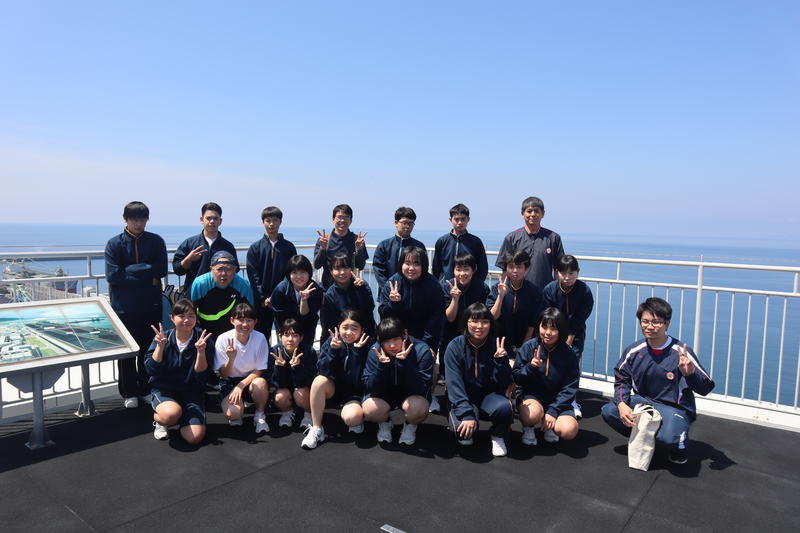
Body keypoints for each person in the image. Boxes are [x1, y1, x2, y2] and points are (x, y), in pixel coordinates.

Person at [600, 297, 715, 464]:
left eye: (656, 322)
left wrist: (689, 374)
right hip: (644, 402)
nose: (649, 326)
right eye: (645, 321)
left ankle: (677, 444)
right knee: (609, 411)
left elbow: (705, 388)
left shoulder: (681, 352)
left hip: (674, 407)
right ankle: (645, 435)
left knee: (670, 438)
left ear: (667, 324)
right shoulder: (634, 350)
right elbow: (621, 379)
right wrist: (622, 404)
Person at [105, 201, 168, 408]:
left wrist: (131, 270)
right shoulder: (114, 244)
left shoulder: (155, 241)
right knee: (126, 351)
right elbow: (113, 276)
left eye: (142, 219)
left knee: (148, 348)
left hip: (151, 305)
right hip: (124, 307)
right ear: (125, 219)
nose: (139, 223)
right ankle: (129, 391)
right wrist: (147, 275)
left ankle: (146, 388)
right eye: (134, 219)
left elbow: (161, 270)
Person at [378, 246, 444, 411]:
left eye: (416, 263)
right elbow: (384, 317)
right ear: (401, 264)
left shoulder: (433, 285)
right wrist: (394, 304)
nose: (411, 268)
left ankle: (428, 395)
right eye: (407, 263)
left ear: (424, 265)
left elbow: (436, 317)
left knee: (428, 359)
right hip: (397, 336)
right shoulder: (392, 283)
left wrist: (429, 344)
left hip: (423, 335)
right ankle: (394, 396)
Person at [444, 303, 514, 457]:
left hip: (488, 396)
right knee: (463, 433)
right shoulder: (455, 346)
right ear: (466, 322)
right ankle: (470, 420)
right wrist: (466, 413)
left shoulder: (496, 345)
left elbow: (502, 383)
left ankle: (497, 435)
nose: (479, 326)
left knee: (505, 407)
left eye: (485, 322)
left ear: (491, 324)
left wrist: (501, 363)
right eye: (474, 321)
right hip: (465, 396)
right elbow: (454, 383)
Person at [301, 310, 372, 449]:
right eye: (345, 327)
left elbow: (359, 381)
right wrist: (333, 351)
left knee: (352, 419)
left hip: (354, 394)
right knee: (319, 381)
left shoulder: (367, 346)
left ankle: (358, 416)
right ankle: (316, 428)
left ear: (362, 330)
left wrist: (357, 353)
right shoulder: (331, 341)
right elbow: (322, 370)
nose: (349, 332)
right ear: (339, 327)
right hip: (334, 388)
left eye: (354, 328)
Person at [145, 299, 213, 444]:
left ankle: (183, 416)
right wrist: (160, 347)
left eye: (191, 316)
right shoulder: (163, 337)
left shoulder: (203, 340)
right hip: (165, 390)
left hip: (192, 392)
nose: (186, 320)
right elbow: (151, 369)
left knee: (194, 438)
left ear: (196, 318)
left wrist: (201, 352)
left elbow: (203, 376)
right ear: (172, 317)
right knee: (170, 415)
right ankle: (161, 421)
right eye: (181, 316)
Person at [513, 307, 580, 446]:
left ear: (561, 330)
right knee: (531, 415)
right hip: (532, 397)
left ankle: (550, 423)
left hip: (558, 401)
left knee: (569, 430)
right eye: (544, 327)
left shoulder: (568, 354)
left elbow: (571, 386)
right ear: (538, 327)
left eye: (553, 328)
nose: (548, 332)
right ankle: (528, 427)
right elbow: (516, 378)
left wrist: (554, 410)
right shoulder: (529, 347)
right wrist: (530, 367)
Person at [362, 317, 433, 445]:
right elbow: (371, 388)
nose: (392, 345)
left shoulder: (421, 349)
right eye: (386, 341)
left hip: (411, 394)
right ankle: (385, 423)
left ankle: (410, 425)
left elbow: (422, 388)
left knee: (419, 408)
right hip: (383, 393)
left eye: (396, 339)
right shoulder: (375, 351)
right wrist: (381, 367)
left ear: (405, 334)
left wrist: (405, 364)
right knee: (370, 409)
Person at [542, 254, 594, 418]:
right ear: (557, 272)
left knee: (572, 366)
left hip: (576, 334)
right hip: (552, 332)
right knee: (551, 365)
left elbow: (582, 315)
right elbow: (547, 314)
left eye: (571, 273)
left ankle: (571, 400)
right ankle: (550, 399)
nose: (567, 277)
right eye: (563, 273)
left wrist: (570, 336)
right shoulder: (550, 289)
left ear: (578, 272)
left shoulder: (584, 290)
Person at [214, 303, 271, 433]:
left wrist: (241, 385)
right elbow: (224, 374)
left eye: (249, 320)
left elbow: (260, 369)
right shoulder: (223, 339)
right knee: (233, 414)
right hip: (230, 381)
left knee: (261, 383)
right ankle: (239, 406)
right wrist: (231, 358)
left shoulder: (260, 338)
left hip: (251, 380)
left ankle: (259, 415)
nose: (245, 324)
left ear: (255, 322)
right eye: (241, 319)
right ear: (232, 320)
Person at [246, 206, 298, 338]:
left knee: (286, 334)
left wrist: (281, 295)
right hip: (262, 302)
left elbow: (292, 272)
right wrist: (263, 298)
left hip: (284, 298)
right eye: (268, 220)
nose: (271, 224)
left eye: (275, 220)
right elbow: (253, 276)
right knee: (262, 335)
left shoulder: (289, 247)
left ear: (280, 222)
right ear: (263, 222)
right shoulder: (255, 248)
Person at [496, 196, 564, 291]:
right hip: (518, 292)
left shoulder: (553, 238)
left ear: (543, 214)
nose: (533, 214)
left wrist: (557, 292)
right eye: (529, 211)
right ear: (522, 214)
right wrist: (505, 293)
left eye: (536, 211)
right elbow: (504, 268)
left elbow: (559, 269)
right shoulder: (511, 238)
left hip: (545, 291)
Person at [171, 202, 238, 297]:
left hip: (221, 296)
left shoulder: (227, 246)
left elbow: (235, 269)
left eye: (215, 218)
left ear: (220, 221)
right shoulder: (190, 243)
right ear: (201, 220)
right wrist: (189, 259)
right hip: (194, 295)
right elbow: (177, 269)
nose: (212, 221)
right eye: (208, 218)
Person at [487, 250, 543, 354]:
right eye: (511, 267)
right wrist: (500, 296)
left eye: (519, 267)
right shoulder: (496, 288)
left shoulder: (534, 292)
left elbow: (532, 323)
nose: (515, 271)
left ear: (526, 268)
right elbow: (492, 317)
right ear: (506, 268)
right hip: (499, 343)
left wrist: (524, 347)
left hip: (524, 343)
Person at [190, 251, 254, 338]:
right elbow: (191, 310)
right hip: (204, 330)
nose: (224, 274)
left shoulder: (243, 285)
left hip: (232, 331)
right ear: (211, 269)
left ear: (235, 270)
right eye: (219, 269)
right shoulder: (200, 283)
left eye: (228, 269)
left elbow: (250, 313)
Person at [269, 318, 317, 428]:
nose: (290, 339)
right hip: (285, 389)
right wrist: (279, 367)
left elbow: (309, 380)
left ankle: (308, 413)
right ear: (280, 337)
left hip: (302, 389)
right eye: (286, 335)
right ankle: (287, 412)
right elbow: (275, 383)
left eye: (295, 335)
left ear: (301, 337)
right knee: (280, 396)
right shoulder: (274, 352)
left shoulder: (309, 351)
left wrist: (298, 367)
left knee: (300, 393)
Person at [440, 252, 490, 358]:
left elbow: (486, 317)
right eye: (458, 269)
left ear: (474, 270)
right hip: (450, 335)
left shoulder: (482, 288)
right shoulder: (446, 287)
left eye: (466, 269)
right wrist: (455, 299)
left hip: (474, 335)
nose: (462, 273)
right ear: (453, 270)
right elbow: (450, 318)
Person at [320, 253, 376, 341]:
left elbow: (369, 309)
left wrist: (361, 290)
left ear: (351, 269)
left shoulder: (362, 285)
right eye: (337, 268)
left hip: (365, 335)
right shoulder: (330, 295)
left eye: (346, 268)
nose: (342, 272)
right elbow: (329, 324)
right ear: (331, 271)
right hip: (344, 337)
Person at [313, 204, 369, 290]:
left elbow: (360, 266)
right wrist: (322, 248)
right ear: (333, 219)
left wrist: (359, 249)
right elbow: (317, 265)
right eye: (339, 217)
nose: (342, 220)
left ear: (351, 221)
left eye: (346, 217)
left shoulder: (356, 240)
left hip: (350, 289)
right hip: (328, 288)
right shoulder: (325, 240)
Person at [269, 254, 323, 342]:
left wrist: (304, 300)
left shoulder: (315, 290)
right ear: (289, 274)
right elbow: (279, 317)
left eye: (303, 272)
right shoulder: (280, 290)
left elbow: (308, 317)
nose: (299, 276)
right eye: (294, 272)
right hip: (286, 329)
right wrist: (290, 335)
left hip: (307, 329)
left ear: (309, 273)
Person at [372, 207, 426, 292]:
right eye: (404, 223)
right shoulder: (384, 245)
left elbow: (423, 270)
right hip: (388, 292)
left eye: (411, 223)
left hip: (412, 292)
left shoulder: (419, 246)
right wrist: (388, 289)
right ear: (396, 223)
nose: (407, 226)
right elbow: (378, 270)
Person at [432, 203, 488, 284]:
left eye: (463, 219)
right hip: (446, 286)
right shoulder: (442, 241)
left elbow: (482, 268)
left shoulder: (476, 242)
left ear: (468, 219)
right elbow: (436, 267)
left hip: (469, 287)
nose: (460, 222)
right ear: (450, 220)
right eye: (456, 219)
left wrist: (476, 285)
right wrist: (440, 284)